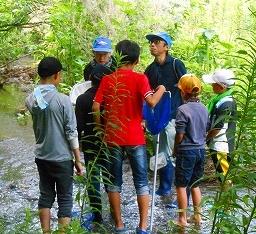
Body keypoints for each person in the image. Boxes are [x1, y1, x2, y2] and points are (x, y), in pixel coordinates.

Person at [92, 39, 166, 234]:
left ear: (116, 58)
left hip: (112, 137)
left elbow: (95, 106)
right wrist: (161, 89)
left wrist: (101, 130)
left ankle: (119, 225)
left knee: (114, 182)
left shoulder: (108, 79)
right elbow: (150, 102)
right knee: (141, 181)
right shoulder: (140, 79)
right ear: (137, 60)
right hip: (135, 138)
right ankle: (142, 227)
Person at [25, 57, 83, 234]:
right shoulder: (63, 100)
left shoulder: (30, 99)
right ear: (57, 75)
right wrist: (78, 160)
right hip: (62, 157)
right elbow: (71, 133)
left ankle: (46, 232)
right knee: (65, 198)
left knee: (46, 195)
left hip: (42, 156)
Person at [144, 32, 188, 202]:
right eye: (151, 43)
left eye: (157, 42)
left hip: (173, 116)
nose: (152, 45)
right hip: (156, 118)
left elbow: (187, 88)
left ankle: (176, 191)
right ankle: (164, 188)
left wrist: (186, 116)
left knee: (171, 153)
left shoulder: (177, 64)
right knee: (159, 152)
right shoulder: (151, 69)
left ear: (166, 47)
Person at [75, 64, 113, 224]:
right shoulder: (112, 97)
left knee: (93, 180)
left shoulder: (82, 99)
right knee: (111, 179)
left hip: (90, 144)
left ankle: (97, 217)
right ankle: (114, 213)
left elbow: (79, 127)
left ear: (90, 79)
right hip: (111, 144)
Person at [172, 74, 209, 227]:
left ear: (183, 92)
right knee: (195, 184)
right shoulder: (204, 108)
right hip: (201, 150)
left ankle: (182, 219)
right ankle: (197, 217)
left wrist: (175, 148)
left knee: (181, 184)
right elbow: (207, 128)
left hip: (187, 151)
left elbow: (179, 134)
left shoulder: (182, 109)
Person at [202, 69, 237, 187]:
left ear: (222, 87)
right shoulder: (222, 100)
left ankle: (229, 204)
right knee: (221, 175)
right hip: (220, 144)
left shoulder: (225, 103)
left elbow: (218, 128)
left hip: (221, 145)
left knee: (224, 177)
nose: (212, 85)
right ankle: (225, 203)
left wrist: (205, 138)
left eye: (214, 83)